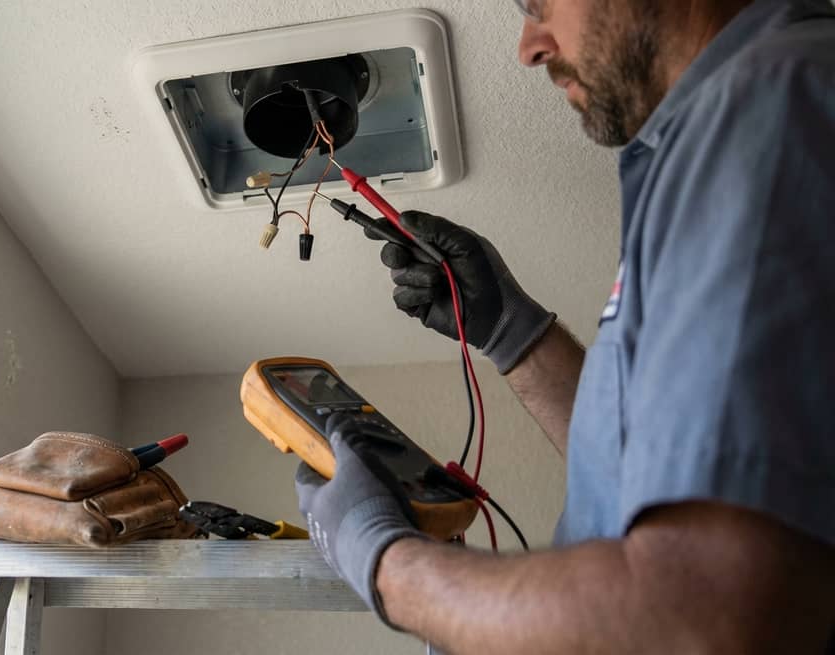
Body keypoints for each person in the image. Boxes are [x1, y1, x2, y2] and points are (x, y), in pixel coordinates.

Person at [294, 0, 835, 652]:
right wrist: (515, 334)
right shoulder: (743, 122)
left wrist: (387, 564)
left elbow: (696, 614)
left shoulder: (771, 102)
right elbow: (641, 467)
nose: (528, 45)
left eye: (539, 4)